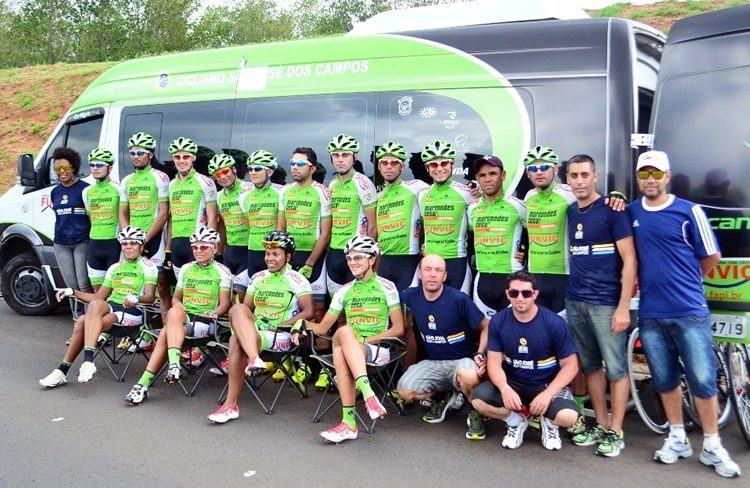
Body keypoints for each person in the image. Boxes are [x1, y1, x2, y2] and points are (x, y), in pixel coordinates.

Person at [627, 150, 740, 477]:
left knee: (703, 379)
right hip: (651, 313)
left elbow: (712, 256)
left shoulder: (689, 211)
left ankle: (712, 444)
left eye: (656, 174)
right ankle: (677, 436)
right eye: (644, 174)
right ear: (638, 178)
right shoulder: (632, 212)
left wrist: (685, 281)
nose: (650, 179)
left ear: (667, 176)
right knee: (663, 378)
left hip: (690, 311)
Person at [564, 154, 637, 457]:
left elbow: (630, 259)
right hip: (576, 299)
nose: (579, 181)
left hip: (606, 303)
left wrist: (623, 307)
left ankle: (616, 430)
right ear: (566, 180)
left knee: (617, 368)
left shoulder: (612, 210)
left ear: (595, 176)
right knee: (591, 366)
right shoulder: (570, 211)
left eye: (584, 175)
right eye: (573, 175)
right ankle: (602, 423)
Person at [302, 235, 404, 444]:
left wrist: (367, 340)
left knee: (341, 349)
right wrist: (300, 324)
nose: (352, 263)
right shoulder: (344, 291)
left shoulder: (387, 286)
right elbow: (323, 327)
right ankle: (368, 394)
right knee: (345, 332)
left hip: (376, 349)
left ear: (372, 259)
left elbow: (399, 328)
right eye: (349, 258)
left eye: (358, 258)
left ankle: (349, 423)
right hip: (349, 343)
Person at [207, 231, 314, 423]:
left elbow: (308, 312)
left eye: (275, 254)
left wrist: (286, 324)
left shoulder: (297, 280)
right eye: (267, 254)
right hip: (256, 332)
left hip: (279, 335)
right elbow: (246, 310)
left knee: (235, 340)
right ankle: (254, 359)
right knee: (238, 308)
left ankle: (231, 405)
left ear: (288, 256)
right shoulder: (257, 277)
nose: (269, 258)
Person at [471, 271, 580, 451]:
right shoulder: (498, 321)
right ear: (507, 294)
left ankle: (550, 425)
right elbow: (494, 362)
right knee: (478, 401)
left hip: (545, 384)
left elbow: (571, 365)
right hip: (514, 383)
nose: (520, 298)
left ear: (535, 294)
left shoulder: (553, 322)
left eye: (526, 293)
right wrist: (505, 389)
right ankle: (516, 421)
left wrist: (548, 394)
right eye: (514, 293)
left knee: (568, 417)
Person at [124, 227, 232, 405]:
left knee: (167, 332)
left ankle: (146, 382)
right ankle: (169, 368)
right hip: (183, 319)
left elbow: (225, 304)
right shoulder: (186, 269)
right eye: (195, 247)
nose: (198, 251)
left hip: (205, 321)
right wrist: (178, 305)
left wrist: (215, 313)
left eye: (203, 247)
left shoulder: (222, 271)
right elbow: (176, 298)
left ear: (214, 247)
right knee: (174, 312)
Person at [39, 226, 157, 387]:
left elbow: (150, 297)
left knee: (82, 321)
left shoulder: (148, 266)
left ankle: (67, 368)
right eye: (124, 243)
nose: (128, 247)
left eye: (133, 243)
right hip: (111, 308)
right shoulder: (115, 267)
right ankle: (78, 366)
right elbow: (98, 297)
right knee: (93, 308)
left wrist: (136, 298)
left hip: (133, 311)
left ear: (141, 246)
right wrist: (72, 291)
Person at [397, 254, 489, 440]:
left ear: (445, 276)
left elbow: (487, 326)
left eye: (438, 270)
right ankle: (444, 395)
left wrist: (480, 353)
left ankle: (475, 412)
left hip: (461, 363)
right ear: (420, 274)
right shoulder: (409, 297)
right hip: (433, 363)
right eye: (428, 269)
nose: (433, 275)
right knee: (405, 391)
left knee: (469, 376)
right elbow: (385, 298)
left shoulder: (458, 299)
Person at [119, 131, 171, 321]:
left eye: (140, 153)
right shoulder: (127, 180)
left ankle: (166, 330)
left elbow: (164, 213)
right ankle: (139, 329)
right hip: (134, 239)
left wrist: (145, 238)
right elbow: (122, 212)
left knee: (162, 286)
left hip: (154, 238)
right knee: (134, 284)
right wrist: (127, 236)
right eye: (132, 153)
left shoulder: (160, 177)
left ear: (150, 154)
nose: (135, 157)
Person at [467, 155, 526, 317]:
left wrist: (524, 251)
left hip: (511, 277)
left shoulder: (517, 206)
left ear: (503, 175)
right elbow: (469, 234)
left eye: (493, 173)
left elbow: (534, 230)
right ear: (477, 179)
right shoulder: (473, 208)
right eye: (482, 175)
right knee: (486, 332)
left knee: (511, 334)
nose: (488, 179)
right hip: (483, 278)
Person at [278, 147, 331, 308]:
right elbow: (281, 229)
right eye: (292, 163)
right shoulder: (285, 191)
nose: (295, 167)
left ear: (312, 168)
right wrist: (284, 258)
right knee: (288, 305)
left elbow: (326, 233)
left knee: (317, 309)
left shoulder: (322, 191)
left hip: (314, 257)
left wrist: (309, 263)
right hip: (290, 257)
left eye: (300, 163)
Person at [417, 141, 473, 293]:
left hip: (456, 262)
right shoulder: (422, 194)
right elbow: (422, 227)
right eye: (434, 165)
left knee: (458, 312)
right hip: (430, 262)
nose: (439, 168)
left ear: (452, 165)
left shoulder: (466, 193)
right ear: (428, 168)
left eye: (444, 163)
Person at [326, 134, 378, 296]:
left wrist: (368, 255)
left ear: (354, 157)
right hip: (335, 252)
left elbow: (373, 225)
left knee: (355, 306)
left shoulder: (362, 183)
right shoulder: (333, 184)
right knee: (336, 304)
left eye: (345, 155)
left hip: (356, 252)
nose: (340, 159)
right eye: (336, 155)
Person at [375, 141, 428, 292]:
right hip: (384, 259)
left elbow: (438, 196)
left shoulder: (416, 186)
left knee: (408, 310)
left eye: (394, 162)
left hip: (408, 259)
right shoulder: (377, 196)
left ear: (402, 166)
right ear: (379, 167)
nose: (389, 166)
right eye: (384, 162)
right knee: (387, 310)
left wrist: (475, 189)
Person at [166, 137, 218, 280]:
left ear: (193, 158)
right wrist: (168, 249)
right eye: (177, 157)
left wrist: (210, 245)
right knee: (181, 289)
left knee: (198, 286)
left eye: (186, 156)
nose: (181, 160)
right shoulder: (171, 185)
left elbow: (213, 217)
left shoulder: (205, 182)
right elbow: (171, 219)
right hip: (177, 245)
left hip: (197, 244)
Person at [50, 147, 92, 294]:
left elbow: (91, 217)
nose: (61, 171)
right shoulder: (55, 191)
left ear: (73, 167)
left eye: (65, 167)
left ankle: (90, 317)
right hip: (61, 244)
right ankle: (77, 317)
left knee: (84, 284)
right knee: (71, 287)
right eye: (57, 168)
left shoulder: (86, 189)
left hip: (82, 242)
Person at [238, 149, 284, 278]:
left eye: (257, 169)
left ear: (269, 171)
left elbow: (283, 226)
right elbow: (249, 225)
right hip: (253, 250)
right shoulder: (243, 196)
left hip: (274, 251)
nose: (252, 172)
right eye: (250, 169)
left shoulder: (281, 192)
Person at [81, 148, 121, 291]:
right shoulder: (87, 192)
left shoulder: (118, 189)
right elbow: (91, 216)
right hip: (95, 244)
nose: (95, 168)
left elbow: (123, 215)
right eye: (92, 165)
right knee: (97, 290)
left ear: (109, 167)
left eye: (99, 165)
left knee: (114, 290)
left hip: (113, 244)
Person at [210, 153, 251, 275]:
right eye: (217, 175)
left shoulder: (249, 189)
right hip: (231, 249)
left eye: (225, 172)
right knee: (227, 290)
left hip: (249, 248)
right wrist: (220, 252)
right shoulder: (220, 196)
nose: (222, 177)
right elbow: (223, 224)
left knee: (242, 289)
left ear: (234, 169)